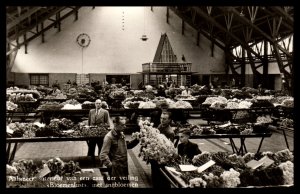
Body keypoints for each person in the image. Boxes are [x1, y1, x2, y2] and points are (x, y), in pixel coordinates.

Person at [99, 116, 139, 187]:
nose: (125, 126)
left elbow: (127, 146)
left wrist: (138, 139)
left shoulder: (121, 134)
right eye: (122, 125)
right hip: (116, 168)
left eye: (125, 124)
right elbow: (103, 155)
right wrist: (111, 166)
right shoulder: (109, 137)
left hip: (123, 166)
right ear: (116, 125)